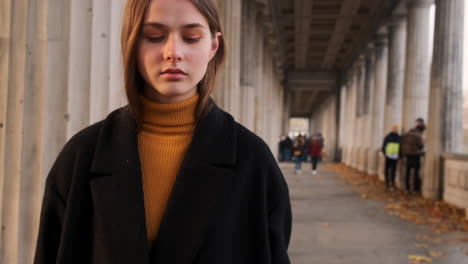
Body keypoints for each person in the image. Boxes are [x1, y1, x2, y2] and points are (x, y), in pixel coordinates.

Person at [34, 0, 292, 263]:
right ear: (132, 42)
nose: (173, 52)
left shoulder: (253, 161)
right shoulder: (81, 156)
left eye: (191, 38)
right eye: (154, 37)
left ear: (213, 46)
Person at [401, 119, 425, 194]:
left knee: (407, 172)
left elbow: (402, 143)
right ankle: (415, 189)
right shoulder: (418, 135)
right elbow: (421, 146)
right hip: (415, 155)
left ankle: (407, 188)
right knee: (416, 172)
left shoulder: (406, 134)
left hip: (407, 155)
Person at [381, 125, 401, 191]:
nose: (395, 130)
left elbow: (400, 147)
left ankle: (392, 183)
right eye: (394, 128)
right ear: (392, 129)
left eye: (396, 129)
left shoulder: (399, 137)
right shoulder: (388, 136)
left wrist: (399, 155)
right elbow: (384, 145)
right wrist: (385, 153)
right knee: (387, 170)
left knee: (393, 171)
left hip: (395, 156)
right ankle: (387, 184)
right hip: (388, 156)